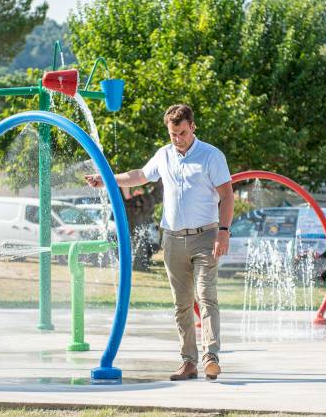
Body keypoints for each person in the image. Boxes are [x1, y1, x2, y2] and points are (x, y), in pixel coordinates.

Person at [85, 104, 234, 380]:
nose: (177, 138)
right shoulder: (164, 155)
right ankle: (188, 361)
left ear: (193, 126)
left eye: (182, 133)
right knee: (181, 304)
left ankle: (210, 355)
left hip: (206, 237)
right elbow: (140, 176)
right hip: (173, 239)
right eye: (172, 134)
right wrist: (106, 180)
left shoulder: (211, 156)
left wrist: (223, 231)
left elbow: (227, 195)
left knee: (206, 295)